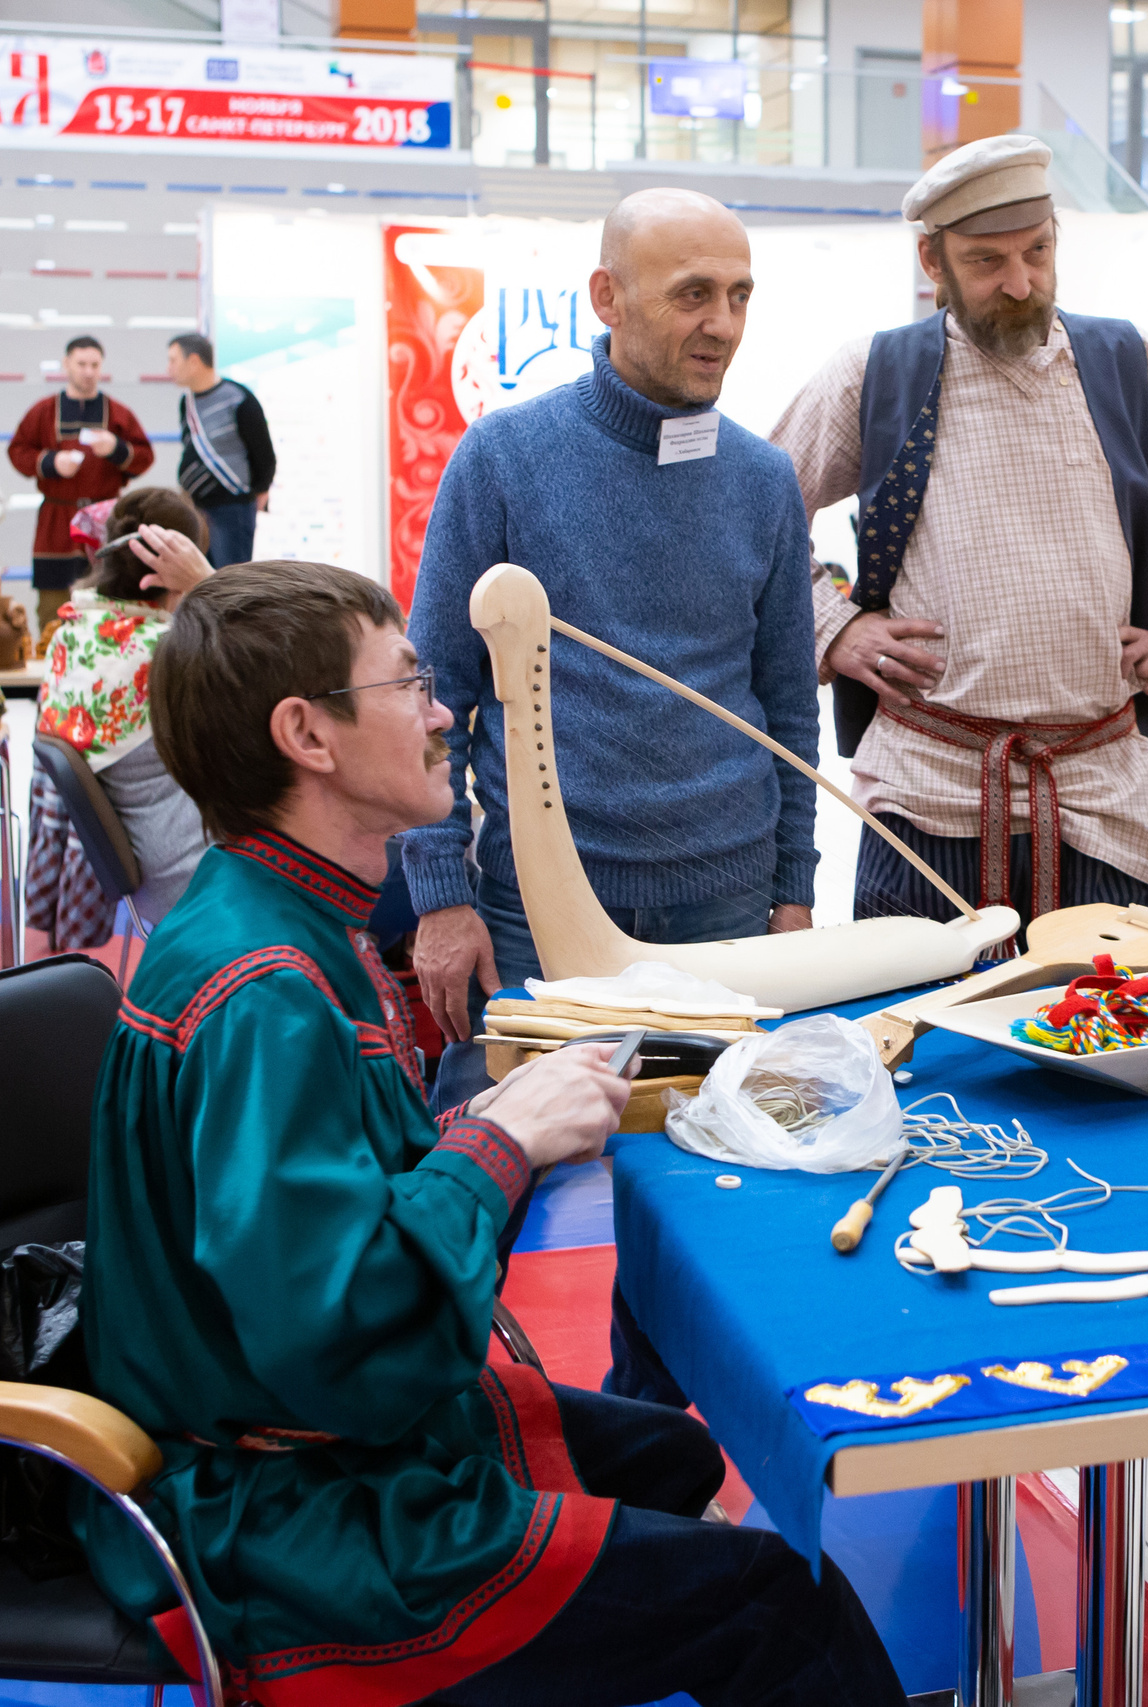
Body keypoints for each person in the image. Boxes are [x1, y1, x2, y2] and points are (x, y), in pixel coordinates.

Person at [75, 558, 907, 1706]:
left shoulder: (267, 914)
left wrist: (489, 1125)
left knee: (669, 1453)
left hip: (291, 1439)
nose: (439, 714)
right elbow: (339, 1347)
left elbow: (321, 1214)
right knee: (777, 1601)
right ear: (306, 735)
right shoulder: (268, 991)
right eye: (408, 684)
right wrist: (498, 1142)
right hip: (286, 1510)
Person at [405, 188, 820, 1402]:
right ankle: (442, 1428)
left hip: (729, 909)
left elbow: (786, 710)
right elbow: (435, 697)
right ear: (607, 297)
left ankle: (658, 1439)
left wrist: (792, 892)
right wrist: (441, 894)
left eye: (739, 295)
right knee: (497, 1174)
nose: (722, 323)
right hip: (539, 909)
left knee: (709, 1192)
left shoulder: (764, 481)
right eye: (693, 294)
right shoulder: (504, 460)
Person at [773, 134, 1148, 931]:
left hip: (1104, 796)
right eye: (987, 261)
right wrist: (836, 627)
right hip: (926, 796)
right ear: (933, 262)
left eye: (1038, 251)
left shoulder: (1130, 366)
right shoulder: (875, 374)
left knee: (1116, 1012)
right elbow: (758, 513)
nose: (1021, 282)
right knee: (924, 1015)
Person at [35, 485, 217, 923]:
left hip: (152, 877)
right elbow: (274, 673)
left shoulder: (70, 635)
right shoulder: (170, 651)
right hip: (200, 877)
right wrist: (207, 583)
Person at [9, 336, 154, 629]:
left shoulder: (119, 414)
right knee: (52, 607)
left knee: (110, 600)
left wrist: (116, 449)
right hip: (56, 521)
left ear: (102, 367)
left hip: (105, 521)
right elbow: (18, 450)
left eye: (94, 365)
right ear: (66, 364)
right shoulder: (43, 411)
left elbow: (144, 456)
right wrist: (51, 462)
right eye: (81, 364)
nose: (88, 371)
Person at [165, 333, 273, 569]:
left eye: (173, 360)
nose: (168, 368)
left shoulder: (238, 398)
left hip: (232, 507)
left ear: (193, 361)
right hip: (196, 507)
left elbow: (263, 451)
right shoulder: (187, 402)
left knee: (228, 577)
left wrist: (260, 490)